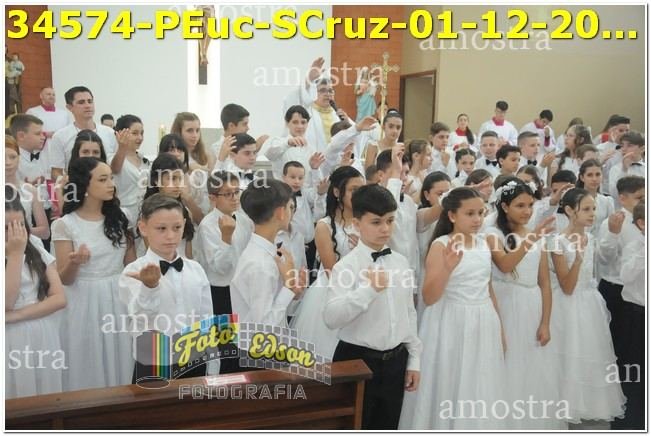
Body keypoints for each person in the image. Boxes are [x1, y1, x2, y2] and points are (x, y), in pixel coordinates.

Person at [399, 187, 506, 430]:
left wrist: (499, 328)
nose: (477, 219)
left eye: (481, 213)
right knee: (450, 379)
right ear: (452, 215)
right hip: (450, 321)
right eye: (470, 213)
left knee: (478, 382)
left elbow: (488, 287)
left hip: (483, 320)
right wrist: (447, 268)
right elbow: (429, 296)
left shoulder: (483, 243)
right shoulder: (441, 245)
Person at [324, 183, 421, 430]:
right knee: (353, 426)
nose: (385, 228)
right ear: (357, 224)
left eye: (390, 220)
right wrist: (368, 291)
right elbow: (331, 318)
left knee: (388, 426)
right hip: (357, 360)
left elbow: (408, 313)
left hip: (396, 361)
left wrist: (414, 360)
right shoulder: (346, 267)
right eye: (376, 222)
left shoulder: (401, 262)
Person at [485, 180, 564, 429]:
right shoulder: (493, 234)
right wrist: (533, 238)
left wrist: (546, 322)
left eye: (530, 205)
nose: (527, 211)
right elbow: (505, 265)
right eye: (520, 205)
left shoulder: (535, 234)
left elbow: (545, 283)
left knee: (533, 367)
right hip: (505, 304)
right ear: (504, 207)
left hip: (532, 305)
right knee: (508, 363)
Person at [51, 157, 135, 391]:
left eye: (111, 178)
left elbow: (131, 264)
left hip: (117, 297)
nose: (111, 184)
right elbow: (64, 278)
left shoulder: (122, 217)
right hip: (82, 300)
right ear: (84, 185)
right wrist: (75, 263)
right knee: (86, 359)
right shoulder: (65, 224)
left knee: (120, 355)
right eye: (103, 179)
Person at [548, 188, 626, 423]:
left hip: (589, 302)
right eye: (586, 209)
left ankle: (588, 404)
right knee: (569, 352)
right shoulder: (557, 242)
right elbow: (567, 286)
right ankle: (565, 404)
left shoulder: (590, 238)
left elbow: (602, 263)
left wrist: (612, 234)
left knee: (591, 352)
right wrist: (579, 257)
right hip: (567, 304)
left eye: (593, 209)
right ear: (569, 210)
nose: (592, 214)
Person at [119, 194, 216, 381]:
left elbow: (206, 318)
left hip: (194, 360)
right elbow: (139, 317)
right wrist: (149, 287)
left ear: (184, 225)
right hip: (154, 362)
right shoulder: (133, 271)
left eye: (177, 227)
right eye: (161, 228)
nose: (170, 236)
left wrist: (213, 363)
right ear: (143, 228)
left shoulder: (196, 270)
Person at [291, 166, 365, 360]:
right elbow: (332, 270)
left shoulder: (367, 223)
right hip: (332, 292)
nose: (360, 195)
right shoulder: (324, 226)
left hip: (363, 289)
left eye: (362, 189)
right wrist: (359, 253)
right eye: (354, 190)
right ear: (337, 192)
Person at [5, 185, 66, 399]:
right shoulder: (17, 249)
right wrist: (15, 255)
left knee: (44, 394)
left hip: (41, 332)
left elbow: (59, 298)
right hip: (9, 339)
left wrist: (16, 316)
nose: (14, 234)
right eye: (6, 227)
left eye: (20, 225)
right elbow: (6, 302)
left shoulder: (34, 243)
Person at [230, 179, 307, 326]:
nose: (292, 213)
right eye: (290, 207)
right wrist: (288, 287)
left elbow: (271, 304)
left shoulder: (265, 252)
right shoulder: (260, 264)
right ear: (280, 212)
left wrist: (292, 291)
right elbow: (264, 326)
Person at [596, 176, 645, 368]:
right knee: (620, 347)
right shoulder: (613, 222)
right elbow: (604, 260)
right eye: (639, 198)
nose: (645, 201)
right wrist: (613, 234)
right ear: (623, 199)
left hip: (642, 292)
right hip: (617, 290)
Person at [195, 170, 254, 316]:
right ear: (212, 198)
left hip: (242, 286)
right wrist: (226, 237)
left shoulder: (244, 220)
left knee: (243, 327)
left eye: (236, 192)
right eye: (228, 194)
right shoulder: (207, 226)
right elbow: (220, 268)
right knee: (225, 330)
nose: (235, 198)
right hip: (221, 290)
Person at [612, 201, 645, 430]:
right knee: (636, 375)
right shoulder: (635, 247)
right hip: (638, 316)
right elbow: (626, 276)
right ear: (642, 224)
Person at [48, 86, 118, 180]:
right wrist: (70, 183)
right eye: (81, 102)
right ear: (69, 107)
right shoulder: (60, 136)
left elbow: (117, 168)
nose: (87, 105)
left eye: (90, 101)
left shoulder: (109, 133)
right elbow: (56, 171)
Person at [283, 57, 349, 153]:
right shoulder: (306, 112)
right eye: (322, 90)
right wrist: (309, 80)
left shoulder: (339, 115)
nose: (327, 94)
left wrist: (347, 124)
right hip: (312, 160)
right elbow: (292, 101)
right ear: (314, 92)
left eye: (330, 91)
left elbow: (357, 136)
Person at [140, 154, 199, 258]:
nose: (177, 184)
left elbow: (188, 254)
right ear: (156, 181)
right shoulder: (148, 213)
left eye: (180, 179)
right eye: (172, 179)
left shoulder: (186, 212)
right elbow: (152, 253)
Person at [5, 135, 50, 241]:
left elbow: (45, 232)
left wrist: (20, 231)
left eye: (13, 157)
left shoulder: (31, 191)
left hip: (27, 244)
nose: (8, 162)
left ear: (19, 158)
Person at [111, 114, 150, 226]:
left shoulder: (144, 160)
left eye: (142, 133)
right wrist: (122, 147)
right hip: (122, 213)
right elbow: (115, 169)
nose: (140, 138)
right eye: (135, 133)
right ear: (120, 134)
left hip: (143, 214)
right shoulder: (112, 157)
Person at [26, 87, 73, 159]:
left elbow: (68, 131)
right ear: (41, 96)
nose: (51, 96)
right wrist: (45, 134)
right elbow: (28, 131)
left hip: (59, 147)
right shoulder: (32, 112)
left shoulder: (63, 113)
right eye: (48, 94)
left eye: (53, 95)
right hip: (41, 148)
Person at [575, 159, 615, 239]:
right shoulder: (575, 200)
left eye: (598, 174)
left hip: (603, 243)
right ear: (582, 177)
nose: (594, 179)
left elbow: (611, 227)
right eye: (590, 175)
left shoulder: (607, 201)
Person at [607, 131, 645, 203]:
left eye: (629, 145)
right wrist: (624, 170)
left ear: (642, 149)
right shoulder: (615, 169)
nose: (624, 149)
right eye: (622, 145)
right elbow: (614, 194)